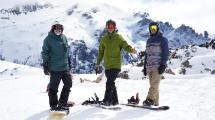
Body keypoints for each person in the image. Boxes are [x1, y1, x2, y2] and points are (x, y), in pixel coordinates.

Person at [96, 19, 137, 106]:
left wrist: (132, 50)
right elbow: (100, 52)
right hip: (107, 65)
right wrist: (98, 63)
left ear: (115, 27)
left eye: (112, 26)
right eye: (109, 26)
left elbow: (125, 46)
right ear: (106, 27)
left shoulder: (118, 38)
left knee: (109, 82)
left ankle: (107, 100)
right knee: (111, 83)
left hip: (116, 65)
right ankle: (115, 101)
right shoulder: (104, 39)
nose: (111, 28)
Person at [41, 21, 72, 111]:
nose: (58, 30)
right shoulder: (48, 39)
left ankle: (62, 102)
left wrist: (68, 61)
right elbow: (45, 52)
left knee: (68, 84)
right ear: (53, 29)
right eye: (56, 28)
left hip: (65, 67)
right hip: (55, 68)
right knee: (53, 88)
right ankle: (54, 105)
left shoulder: (64, 37)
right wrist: (45, 65)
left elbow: (66, 51)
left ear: (62, 29)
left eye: (59, 28)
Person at [143, 22, 169, 106]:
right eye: (151, 28)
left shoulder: (162, 39)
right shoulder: (148, 40)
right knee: (154, 85)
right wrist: (145, 66)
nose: (152, 29)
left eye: (154, 27)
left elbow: (166, 52)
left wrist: (163, 64)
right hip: (149, 66)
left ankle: (149, 99)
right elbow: (147, 54)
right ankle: (155, 103)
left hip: (158, 66)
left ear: (157, 28)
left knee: (154, 84)